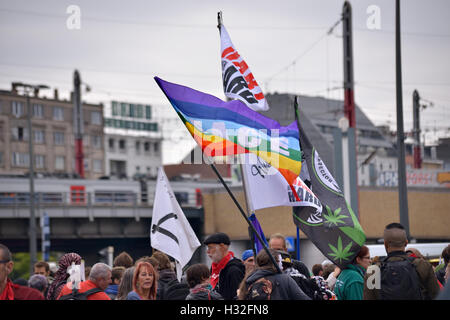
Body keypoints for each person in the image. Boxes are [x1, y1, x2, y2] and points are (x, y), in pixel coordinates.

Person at [364, 223, 440, 300]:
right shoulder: (422, 266)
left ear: (385, 244)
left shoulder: (373, 270)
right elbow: (438, 296)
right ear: (406, 243)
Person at [237, 249, 311, 300]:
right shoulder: (285, 279)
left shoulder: (249, 280)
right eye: (280, 261)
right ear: (275, 263)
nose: (282, 264)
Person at [204, 232, 245, 300]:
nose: (208, 252)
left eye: (210, 248)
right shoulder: (215, 268)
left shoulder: (234, 270)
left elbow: (238, 297)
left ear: (222, 247)